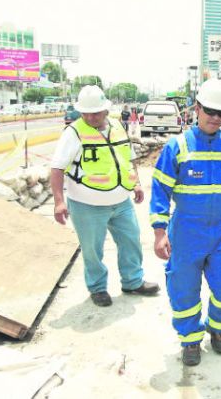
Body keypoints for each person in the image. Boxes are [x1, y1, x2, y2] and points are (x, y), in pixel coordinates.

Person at [150, 78, 221, 367]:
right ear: (197, 108)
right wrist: (159, 233)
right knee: (184, 289)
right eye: (210, 111)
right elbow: (160, 190)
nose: (216, 118)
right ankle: (190, 340)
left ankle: (216, 327)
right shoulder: (178, 146)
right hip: (186, 232)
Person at [50, 85, 159, 308]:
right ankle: (98, 288)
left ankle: (132, 281)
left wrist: (136, 183)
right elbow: (57, 168)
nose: (90, 117)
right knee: (92, 250)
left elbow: (128, 159)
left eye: (96, 113)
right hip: (86, 205)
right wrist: (59, 202)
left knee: (131, 241)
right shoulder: (73, 133)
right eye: (86, 113)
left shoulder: (118, 126)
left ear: (106, 110)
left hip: (121, 202)